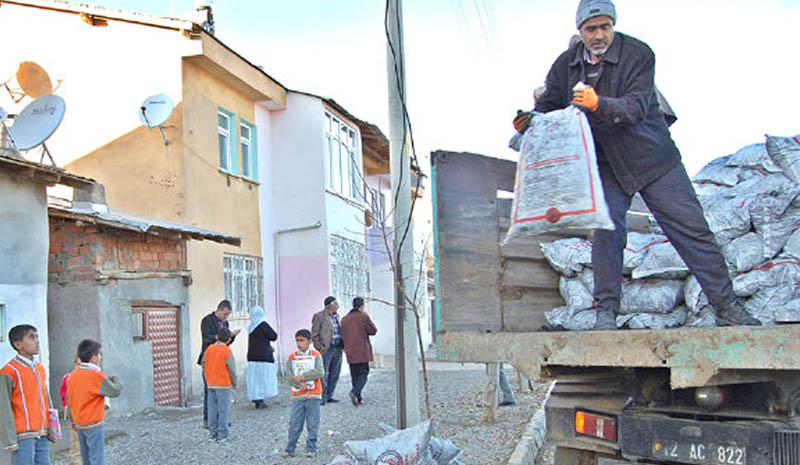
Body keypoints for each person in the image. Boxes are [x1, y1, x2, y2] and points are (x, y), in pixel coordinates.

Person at [512, 0, 759, 330]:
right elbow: (548, 105)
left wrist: (599, 104)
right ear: (580, 31)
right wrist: (530, 120)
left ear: (612, 25)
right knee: (605, 232)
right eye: (591, 29)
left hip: (652, 158)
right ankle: (605, 314)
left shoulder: (638, 54)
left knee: (691, 230)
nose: (599, 35)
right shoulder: (566, 65)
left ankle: (727, 306)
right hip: (608, 164)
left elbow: (636, 106)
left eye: (605, 27)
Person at [0, 325, 53, 465]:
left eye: (37, 336)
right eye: (31, 337)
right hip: (22, 435)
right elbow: (3, 407)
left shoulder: (39, 369)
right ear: (18, 344)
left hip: (41, 432)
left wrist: (52, 426)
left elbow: (46, 398)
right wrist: (9, 439)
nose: (37, 341)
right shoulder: (8, 371)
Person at [67, 339, 122, 465]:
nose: (101, 357)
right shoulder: (96, 375)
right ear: (93, 358)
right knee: (97, 458)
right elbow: (115, 391)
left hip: (79, 423)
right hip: (93, 423)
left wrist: (73, 420)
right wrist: (116, 379)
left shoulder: (74, 375)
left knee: (86, 458)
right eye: (99, 354)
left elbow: (70, 399)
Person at [197, 300, 240, 428]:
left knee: (222, 396)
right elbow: (206, 337)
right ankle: (208, 419)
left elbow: (226, 342)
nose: (225, 317)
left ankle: (222, 420)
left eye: (227, 315)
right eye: (224, 314)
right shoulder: (207, 320)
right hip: (209, 358)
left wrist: (231, 336)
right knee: (209, 392)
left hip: (221, 361)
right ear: (219, 310)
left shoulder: (225, 323)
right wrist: (219, 337)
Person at [284, 329, 323, 458]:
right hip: (298, 396)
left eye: (302, 340)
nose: (299, 343)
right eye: (297, 340)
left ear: (310, 341)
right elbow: (288, 375)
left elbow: (319, 372)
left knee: (313, 423)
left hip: (313, 395)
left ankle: (311, 448)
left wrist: (303, 376)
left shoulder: (316, 355)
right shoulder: (292, 357)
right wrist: (298, 384)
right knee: (295, 423)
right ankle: (290, 449)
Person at [340, 297, 377, 406]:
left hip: (350, 350)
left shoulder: (344, 319)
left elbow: (342, 335)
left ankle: (358, 397)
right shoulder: (363, 317)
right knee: (363, 373)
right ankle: (355, 392)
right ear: (362, 306)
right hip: (361, 350)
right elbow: (373, 331)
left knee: (354, 374)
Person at [203, 327, 237, 442]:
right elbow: (231, 369)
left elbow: (203, 363)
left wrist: (208, 375)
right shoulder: (226, 351)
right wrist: (235, 383)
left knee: (212, 409)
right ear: (228, 340)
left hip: (211, 383)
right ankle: (223, 434)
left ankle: (212, 434)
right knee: (224, 410)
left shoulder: (209, 349)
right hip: (223, 383)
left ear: (217, 337)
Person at [311, 296, 343, 405]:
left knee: (335, 373)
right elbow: (314, 334)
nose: (338, 306)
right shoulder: (319, 316)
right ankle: (322, 396)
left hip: (338, 348)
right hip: (326, 349)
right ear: (330, 305)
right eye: (336, 304)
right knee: (323, 373)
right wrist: (319, 348)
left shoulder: (337, 316)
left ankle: (330, 395)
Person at [246, 306, 278, 409]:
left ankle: (256, 398)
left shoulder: (251, 326)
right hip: (264, 356)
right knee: (263, 379)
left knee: (255, 379)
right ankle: (261, 397)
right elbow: (274, 336)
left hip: (252, 356)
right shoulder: (263, 325)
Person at [59, 356, 82, 465]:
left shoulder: (91, 377)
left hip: (89, 419)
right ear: (74, 364)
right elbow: (65, 395)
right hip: (76, 418)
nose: (80, 367)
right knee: (76, 446)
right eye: (78, 364)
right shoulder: (70, 378)